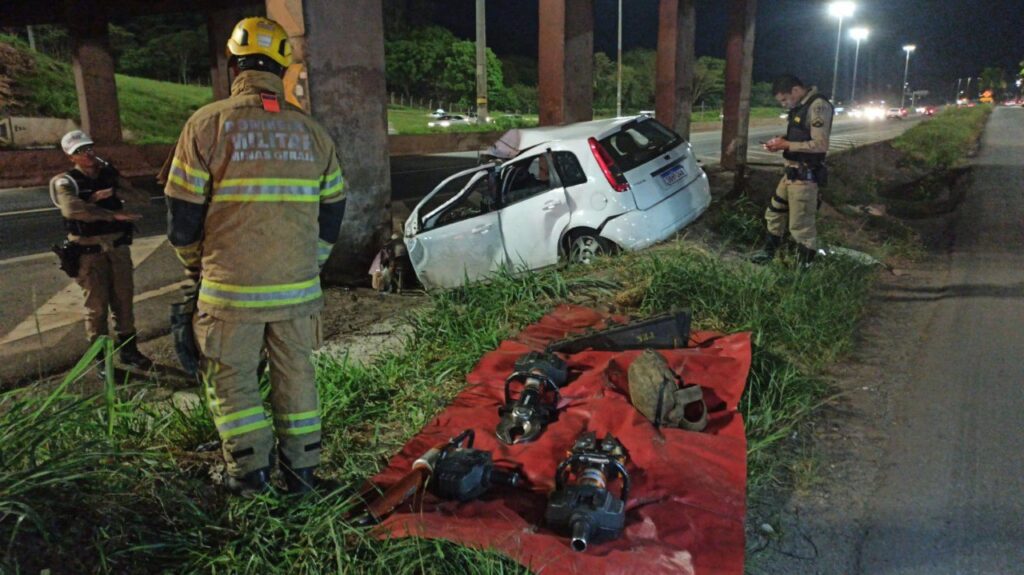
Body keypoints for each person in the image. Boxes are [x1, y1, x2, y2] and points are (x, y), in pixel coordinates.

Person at [164, 16, 346, 495]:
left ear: (233, 64)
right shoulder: (313, 134)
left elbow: (181, 216)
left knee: (233, 381)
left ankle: (250, 476)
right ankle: (303, 475)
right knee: (297, 379)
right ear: (283, 70)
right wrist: (311, 264)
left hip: (229, 292)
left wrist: (195, 265)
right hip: (297, 290)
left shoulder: (206, 125)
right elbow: (333, 213)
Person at [51, 130, 152, 374]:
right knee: (96, 309)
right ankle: (102, 362)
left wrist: (117, 187)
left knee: (124, 302)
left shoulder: (108, 175)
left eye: (88, 148)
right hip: (89, 254)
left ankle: (129, 351)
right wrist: (109, 212)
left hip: (117, 249)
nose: (87, 154)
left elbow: (142, 199)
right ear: (70, 156)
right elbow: (72, 209)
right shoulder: (66, 181)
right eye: (79, 151)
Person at [754, 75, 834, 266]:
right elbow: (799, 134)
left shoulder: (818, 106)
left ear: (796, 91)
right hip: (791, 174)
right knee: (774, 213)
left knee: (801, 227)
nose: (783, 104)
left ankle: (804, 269)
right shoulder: (800, 107)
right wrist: (780, 141)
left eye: (784, 99)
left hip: (805, 176)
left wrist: (787, 144)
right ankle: (769, 253)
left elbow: (820, 145)